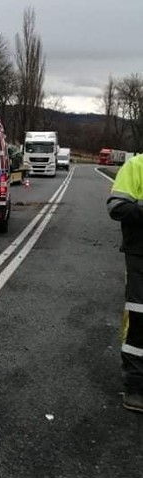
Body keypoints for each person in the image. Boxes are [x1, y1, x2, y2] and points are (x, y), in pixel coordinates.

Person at [107, 154, 143, 412]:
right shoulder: (137, 165)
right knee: (140, 317)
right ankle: (135, 385)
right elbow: (117, 207)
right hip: (141, 254)